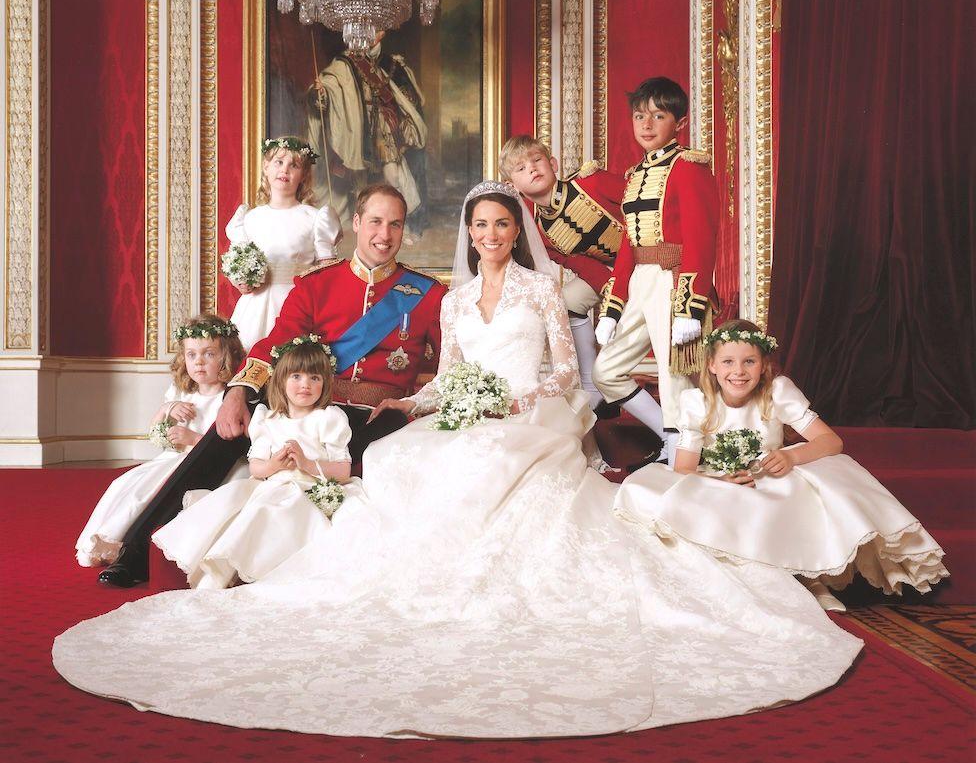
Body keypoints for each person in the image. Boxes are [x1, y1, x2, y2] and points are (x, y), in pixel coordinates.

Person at [54, 183, 862, 738]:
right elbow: (439, 376)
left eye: (501, 225)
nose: (489, 237)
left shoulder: (507, 293)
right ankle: (167, 547)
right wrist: (409, 402)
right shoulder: (410, 293)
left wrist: (502, 400)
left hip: (525, 413)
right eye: (477, 227)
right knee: (401, 458)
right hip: (415, 403)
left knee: (468, 460)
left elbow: (559, 372)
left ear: (515, 230)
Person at [96, 184, 445, 588]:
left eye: (395, 224)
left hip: (374, 417)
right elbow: (273, 345)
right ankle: (138, 548)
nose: (384, 235)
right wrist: (237, 394)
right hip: (307, 403)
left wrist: (416, 404)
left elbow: (447, 364)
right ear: (356, 223)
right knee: (229, 430)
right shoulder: (317, 285)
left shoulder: (428, 294)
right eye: (375, 222)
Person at [613, 319, 949, 611]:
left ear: (762, 365)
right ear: (712, 366)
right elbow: (684, 469)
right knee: (650, 489)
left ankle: (811, 578)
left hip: (768, 478)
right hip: (720, 480)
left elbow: (831, 442)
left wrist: (790, 456)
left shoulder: (777, 393)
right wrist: (720, 481)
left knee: (804, 486)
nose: (738, 371)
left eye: (749, 362)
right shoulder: (697, 403)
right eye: (728, 362)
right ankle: (754, 579)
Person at [153, 338, 356, 589]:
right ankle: (222, 572)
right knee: (235, 506)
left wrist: (306, 463)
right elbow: (257, 468)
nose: (305, 385)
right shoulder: (267, 419)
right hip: (273, 484)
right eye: (296, 377)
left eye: (315, 378)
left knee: (275, 511)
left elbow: (344, 470)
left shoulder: (329, 418)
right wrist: (275, 465)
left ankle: (258, 572)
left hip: (311, 488)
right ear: (280, 380)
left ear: (325, 383)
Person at [593, 77, 719, 466]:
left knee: (673, 372)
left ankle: (680, 447)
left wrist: (689, 307)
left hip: (675, 279)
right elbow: (628, 245)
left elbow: (702, 241)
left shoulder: (689, 167)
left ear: (678, 123)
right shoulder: (634, 175)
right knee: (606, 370)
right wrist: (613, 308)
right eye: (639, 116)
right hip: (641, 281)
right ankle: (668, 435)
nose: (646, 125)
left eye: (658, 116)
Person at [75, 315, 247, 567]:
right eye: (191, 355)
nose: (198, 362)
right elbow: (157, 432)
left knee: (152, 489)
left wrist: (192, 439)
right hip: (171, 457)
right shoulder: (181, 393)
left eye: (209, 354)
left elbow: (228, 447)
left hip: (201, 465)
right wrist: (168, 409)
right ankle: (110, 540)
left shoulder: (229, 398)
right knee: (125, 483)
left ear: (227, 356)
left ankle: (131, 544)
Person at [500, 135, 644, 415]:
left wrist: (620, 292)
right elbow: (584, 265)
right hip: (612, 272)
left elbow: (641, 211)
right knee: (563, 305)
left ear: (552, 163)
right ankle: (593, 388)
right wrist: (614, 290)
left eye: (537, 160)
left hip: (649, 259)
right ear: (512, 187)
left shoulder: (591, 182)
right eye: (521, 168)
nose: (532, 168)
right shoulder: (540, 230)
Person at [225, 135, 341, 351]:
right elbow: (238, 262)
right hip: (256, 305)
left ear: (303, 174)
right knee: (250, 358)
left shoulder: (315, 218)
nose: (285, 170)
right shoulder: (250, 218)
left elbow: (327, 272)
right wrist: (241, 280)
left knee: (291, 363)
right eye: (279, 162)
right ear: (266, 167)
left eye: (294, 165)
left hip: (296, 304)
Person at [307, 35, 427, 225]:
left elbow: (406, 97)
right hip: (359, 129)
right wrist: (322, 93)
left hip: (382, 126)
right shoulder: (344, 63)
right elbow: (330, 86)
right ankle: (363, 224)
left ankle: (397, 221)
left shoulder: (391, 63)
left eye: (377, 28)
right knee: (360, 182)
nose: (372, 33)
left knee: (393, 175)